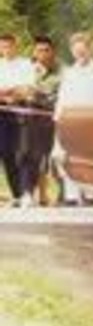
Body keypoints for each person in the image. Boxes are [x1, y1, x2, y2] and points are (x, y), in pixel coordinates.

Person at [53, 33, 93, 206]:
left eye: (83, 50)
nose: (80, 54)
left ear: (89, 50)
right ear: (72, 51)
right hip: (71, 122)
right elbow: (62, 99)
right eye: (76, 51)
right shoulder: (69, 73)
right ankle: (71, 197)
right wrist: (59, 121)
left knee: (91, 159)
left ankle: (90, 195)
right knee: (68, 159)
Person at [16, 36, 60, 207]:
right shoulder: (26, 69)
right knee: (26, 156)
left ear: (52, 52)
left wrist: (35, 92)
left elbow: (54, 95)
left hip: (48, 120)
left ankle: (45, 194)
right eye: (39, 50)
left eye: (46, 50)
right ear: (34, 52)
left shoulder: (59, 72)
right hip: (26, 120)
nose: (42, 54)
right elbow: (18, 90)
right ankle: (26, 192)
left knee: (46, 158)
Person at [0, 33, 35, 205]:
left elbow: (28, 89)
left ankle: (26, 192)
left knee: (23, 152)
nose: (6, 50)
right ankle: (16, 194)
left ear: (15, 46)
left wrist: (9, 91)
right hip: (2, 113)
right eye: (3, 47)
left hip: (22, 111)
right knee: (6, 153)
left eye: (9, 46)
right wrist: (11, 92)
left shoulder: (25, 64)